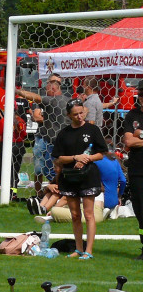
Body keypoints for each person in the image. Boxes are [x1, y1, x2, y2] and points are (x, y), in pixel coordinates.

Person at [52, 98, 108, 259]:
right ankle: (78, 249)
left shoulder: (93, 130)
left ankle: (88, 250)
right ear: (69, 115)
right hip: (69, 177)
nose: (79, 116)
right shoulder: (64, 133)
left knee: (89, 214)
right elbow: (58, 158)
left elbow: (101, 153)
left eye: (81, 113)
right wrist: (75, 157)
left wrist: (86, 159)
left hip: (88, 176)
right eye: (75, 114)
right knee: (75, 214)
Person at [17, 75, 68, 196]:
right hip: (43, 136)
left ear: (55, 87)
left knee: (52, 168)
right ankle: (40, 194)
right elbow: (36, 116)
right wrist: (50, 118)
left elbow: (36, 102)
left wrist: (17, 91)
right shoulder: (51, 101)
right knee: (40, 168)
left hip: (53, 139)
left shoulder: (55, 100)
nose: (46, 87)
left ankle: (54, 192)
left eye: (49, 85)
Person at [121, 83, 143, 259]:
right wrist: (134, 137)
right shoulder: (132, 115)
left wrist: (139, 135)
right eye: (141, 94)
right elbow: (128, 142)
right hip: (137, 169)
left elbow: (134, 139)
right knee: (140, 210)